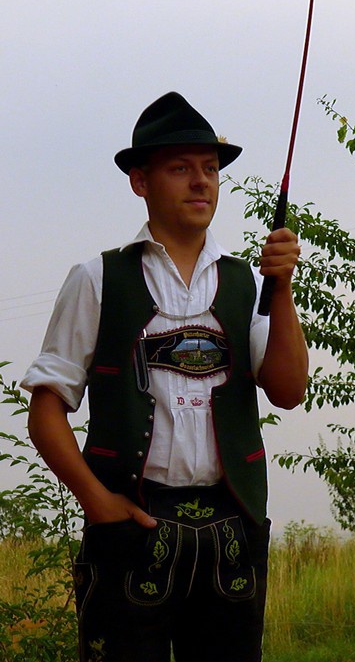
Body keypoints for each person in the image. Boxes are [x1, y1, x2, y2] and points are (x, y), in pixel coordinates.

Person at [22, 91, 308, 662]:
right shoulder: (97, 279)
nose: (201, 182)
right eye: (180, 168)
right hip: (131, 526)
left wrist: (283, 288)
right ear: (140, 181)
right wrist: (97, 501)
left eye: (210, 169)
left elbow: (288, 390)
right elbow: (46, 410)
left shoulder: (247, 282)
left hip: (233, 530)